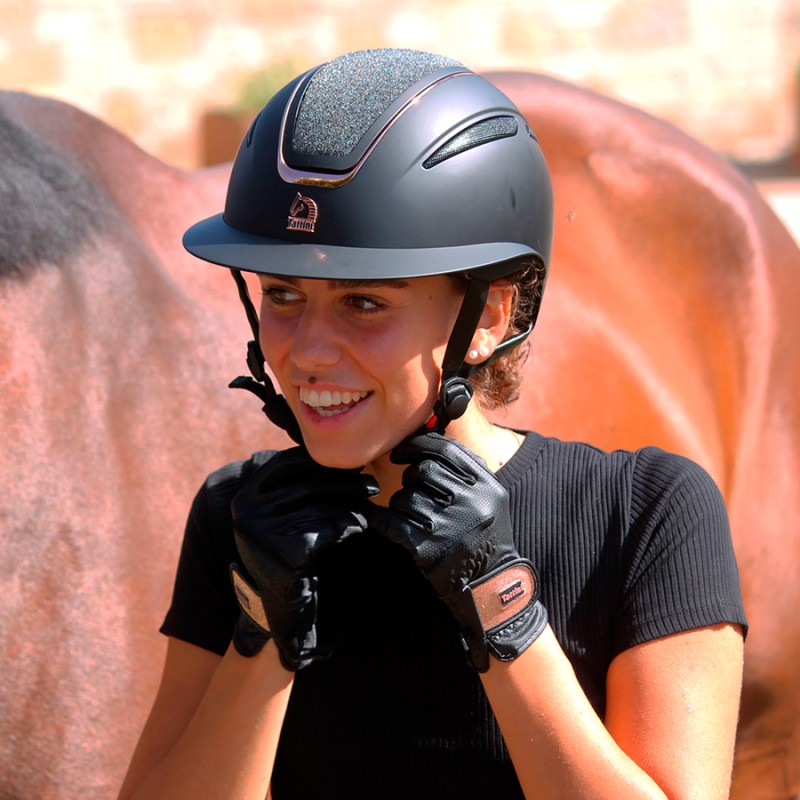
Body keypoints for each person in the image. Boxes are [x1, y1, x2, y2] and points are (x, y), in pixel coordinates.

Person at [118, 48, 747, 800]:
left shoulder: (646, 511)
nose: (307, 353)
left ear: (487, 315)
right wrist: (262, 632)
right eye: (283, 294)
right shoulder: (239, 518)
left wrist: (503, 610)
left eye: (363, 302)